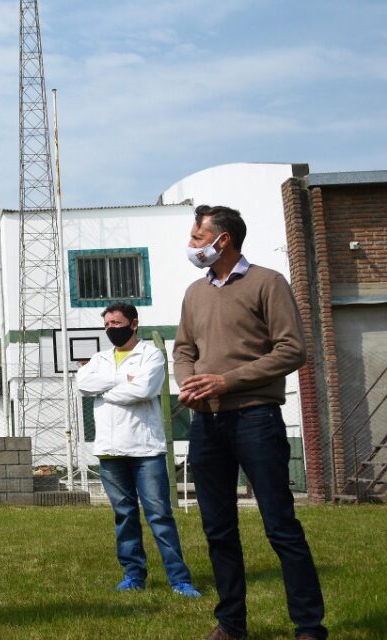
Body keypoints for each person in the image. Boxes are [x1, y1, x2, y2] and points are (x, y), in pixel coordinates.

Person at [174, 205, 326, 640]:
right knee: (217, 528)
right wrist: (189, 382)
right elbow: (183, 349)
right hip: (206, 423)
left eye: (198, 238)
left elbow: (292, 350)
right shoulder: (193, 293)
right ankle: (230, 624)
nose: (192, 244)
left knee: (280, 525)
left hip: (256, 418)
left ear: (223, 241)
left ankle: (309, 627)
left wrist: (227, 380)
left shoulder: (268, 282)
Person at [76, 302, 200, 598]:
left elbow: (144, 390)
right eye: (106, 325)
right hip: (110, 451)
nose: (111, 329)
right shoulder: (100, 358)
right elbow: (82, 383)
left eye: (116, 323)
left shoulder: (152, 355)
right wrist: (122, 380)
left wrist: (105, 389)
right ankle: (133, 575)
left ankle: (179, 579)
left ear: (133, 323)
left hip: (146, 450)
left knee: (159, 515)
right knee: (125, 516)